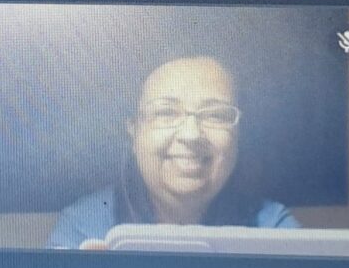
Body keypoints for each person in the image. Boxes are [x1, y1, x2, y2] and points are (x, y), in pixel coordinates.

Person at [50, 55, 296, 248]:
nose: (191, 135)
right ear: (134, 133)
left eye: (216, 115)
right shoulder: (84, 228)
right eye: (166, 112)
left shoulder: (273, 228)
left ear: (238, 136)